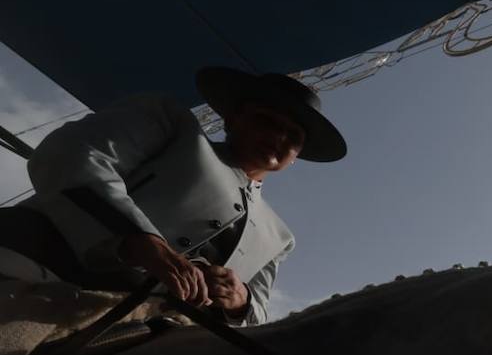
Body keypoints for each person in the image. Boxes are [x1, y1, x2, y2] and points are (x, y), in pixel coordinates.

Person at [0, 67, 346, 324]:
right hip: (33, 266)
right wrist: (141, 239)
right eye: (266, 121)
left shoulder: (280, 238)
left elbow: (256, 317)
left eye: (293, 135)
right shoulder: (172, 124)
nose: (278, 137)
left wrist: (239, 301)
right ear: (233, 118)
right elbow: (71, 153)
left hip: (128, 332)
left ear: (297, 153)